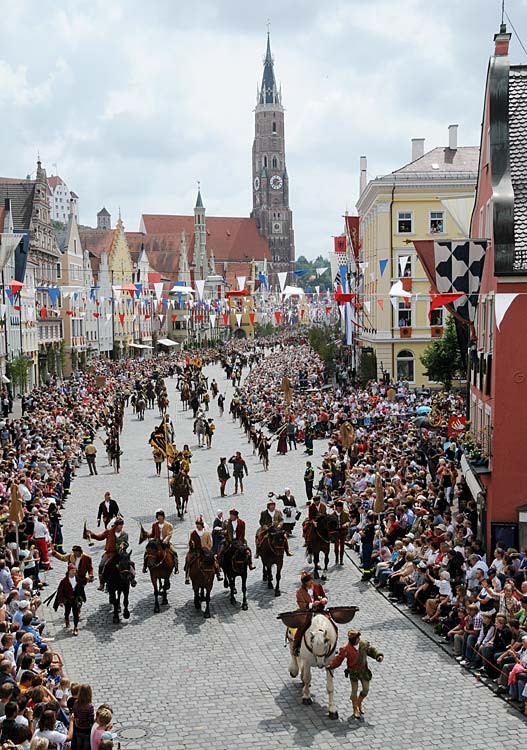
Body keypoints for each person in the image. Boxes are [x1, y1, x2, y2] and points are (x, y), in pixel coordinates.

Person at [328, 629, 384, 719]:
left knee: (366, 689)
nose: (359, 639)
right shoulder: (345, 648)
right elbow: (339, 659)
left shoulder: (363, 645)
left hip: (364, 671)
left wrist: (378, 656)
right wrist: (331, 666)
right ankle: (355, 708)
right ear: (352, 640)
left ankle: (359, 702)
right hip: (353, 672)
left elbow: (371, 651)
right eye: (357, 638)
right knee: (354, 692)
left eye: (359, 637)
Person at [87, 518, 136, 590]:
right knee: (101, 565)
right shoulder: (109, 532)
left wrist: (123, 545)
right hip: (109, 553)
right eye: (119, 525)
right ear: (115, 526)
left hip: (120, 553)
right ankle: (102, 583)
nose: (121, 527)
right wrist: (91, 534)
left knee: (130, 563)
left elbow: (126, 543)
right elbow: (99, 537)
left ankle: (132, 579)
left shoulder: (124, 534)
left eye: (122, 525)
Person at [292, 571, 327, 655]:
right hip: (308, 613)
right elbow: (301, 604)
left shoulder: (318, 586)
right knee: (302, 628)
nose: (311, 582)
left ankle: (331, 644)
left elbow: (324, 596)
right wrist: (311, 604)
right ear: (305, 583)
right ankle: (296, 646)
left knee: (331, 624)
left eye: (311, 580)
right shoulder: (300, 592)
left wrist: (324, 600)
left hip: (320, 611)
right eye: (309, 581)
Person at [184, 516, 217, 584]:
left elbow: (210, 543)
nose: (198, 526)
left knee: (214, 559)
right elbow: (190, 542)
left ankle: (218, 572)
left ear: (202, 525)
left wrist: (206, 548)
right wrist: (191, 544)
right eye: (197, 525)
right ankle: (187, 575)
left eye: (199, 525)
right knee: (188, 559)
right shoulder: (193, 533)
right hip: (196, 551)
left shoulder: (207, 533)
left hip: (205, 551)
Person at [53, 564, 84, 636]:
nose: (74, 572)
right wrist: (60, 601)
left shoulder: (77, 579)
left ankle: (75, 627)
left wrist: (81, 598)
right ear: (69, 571)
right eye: (72, 570)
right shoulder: (64, 581)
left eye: (75, 570)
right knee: (67, 612)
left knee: (76, 614)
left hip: (75, 600)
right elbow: (60, 592)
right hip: (68, 600)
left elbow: (81, 588)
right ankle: (66, 619)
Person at [332, 499, 350, 566]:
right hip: (336, 532)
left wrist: (346, 524)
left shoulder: (345, 514)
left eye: (341, 507)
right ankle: (336, 558)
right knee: (336, 546)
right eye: (338, 507)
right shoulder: (332, 515)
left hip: (343, 531)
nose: (339, 508)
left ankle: (341, 559)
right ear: (336, 507)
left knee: (342, 546)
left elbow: (348, 521)